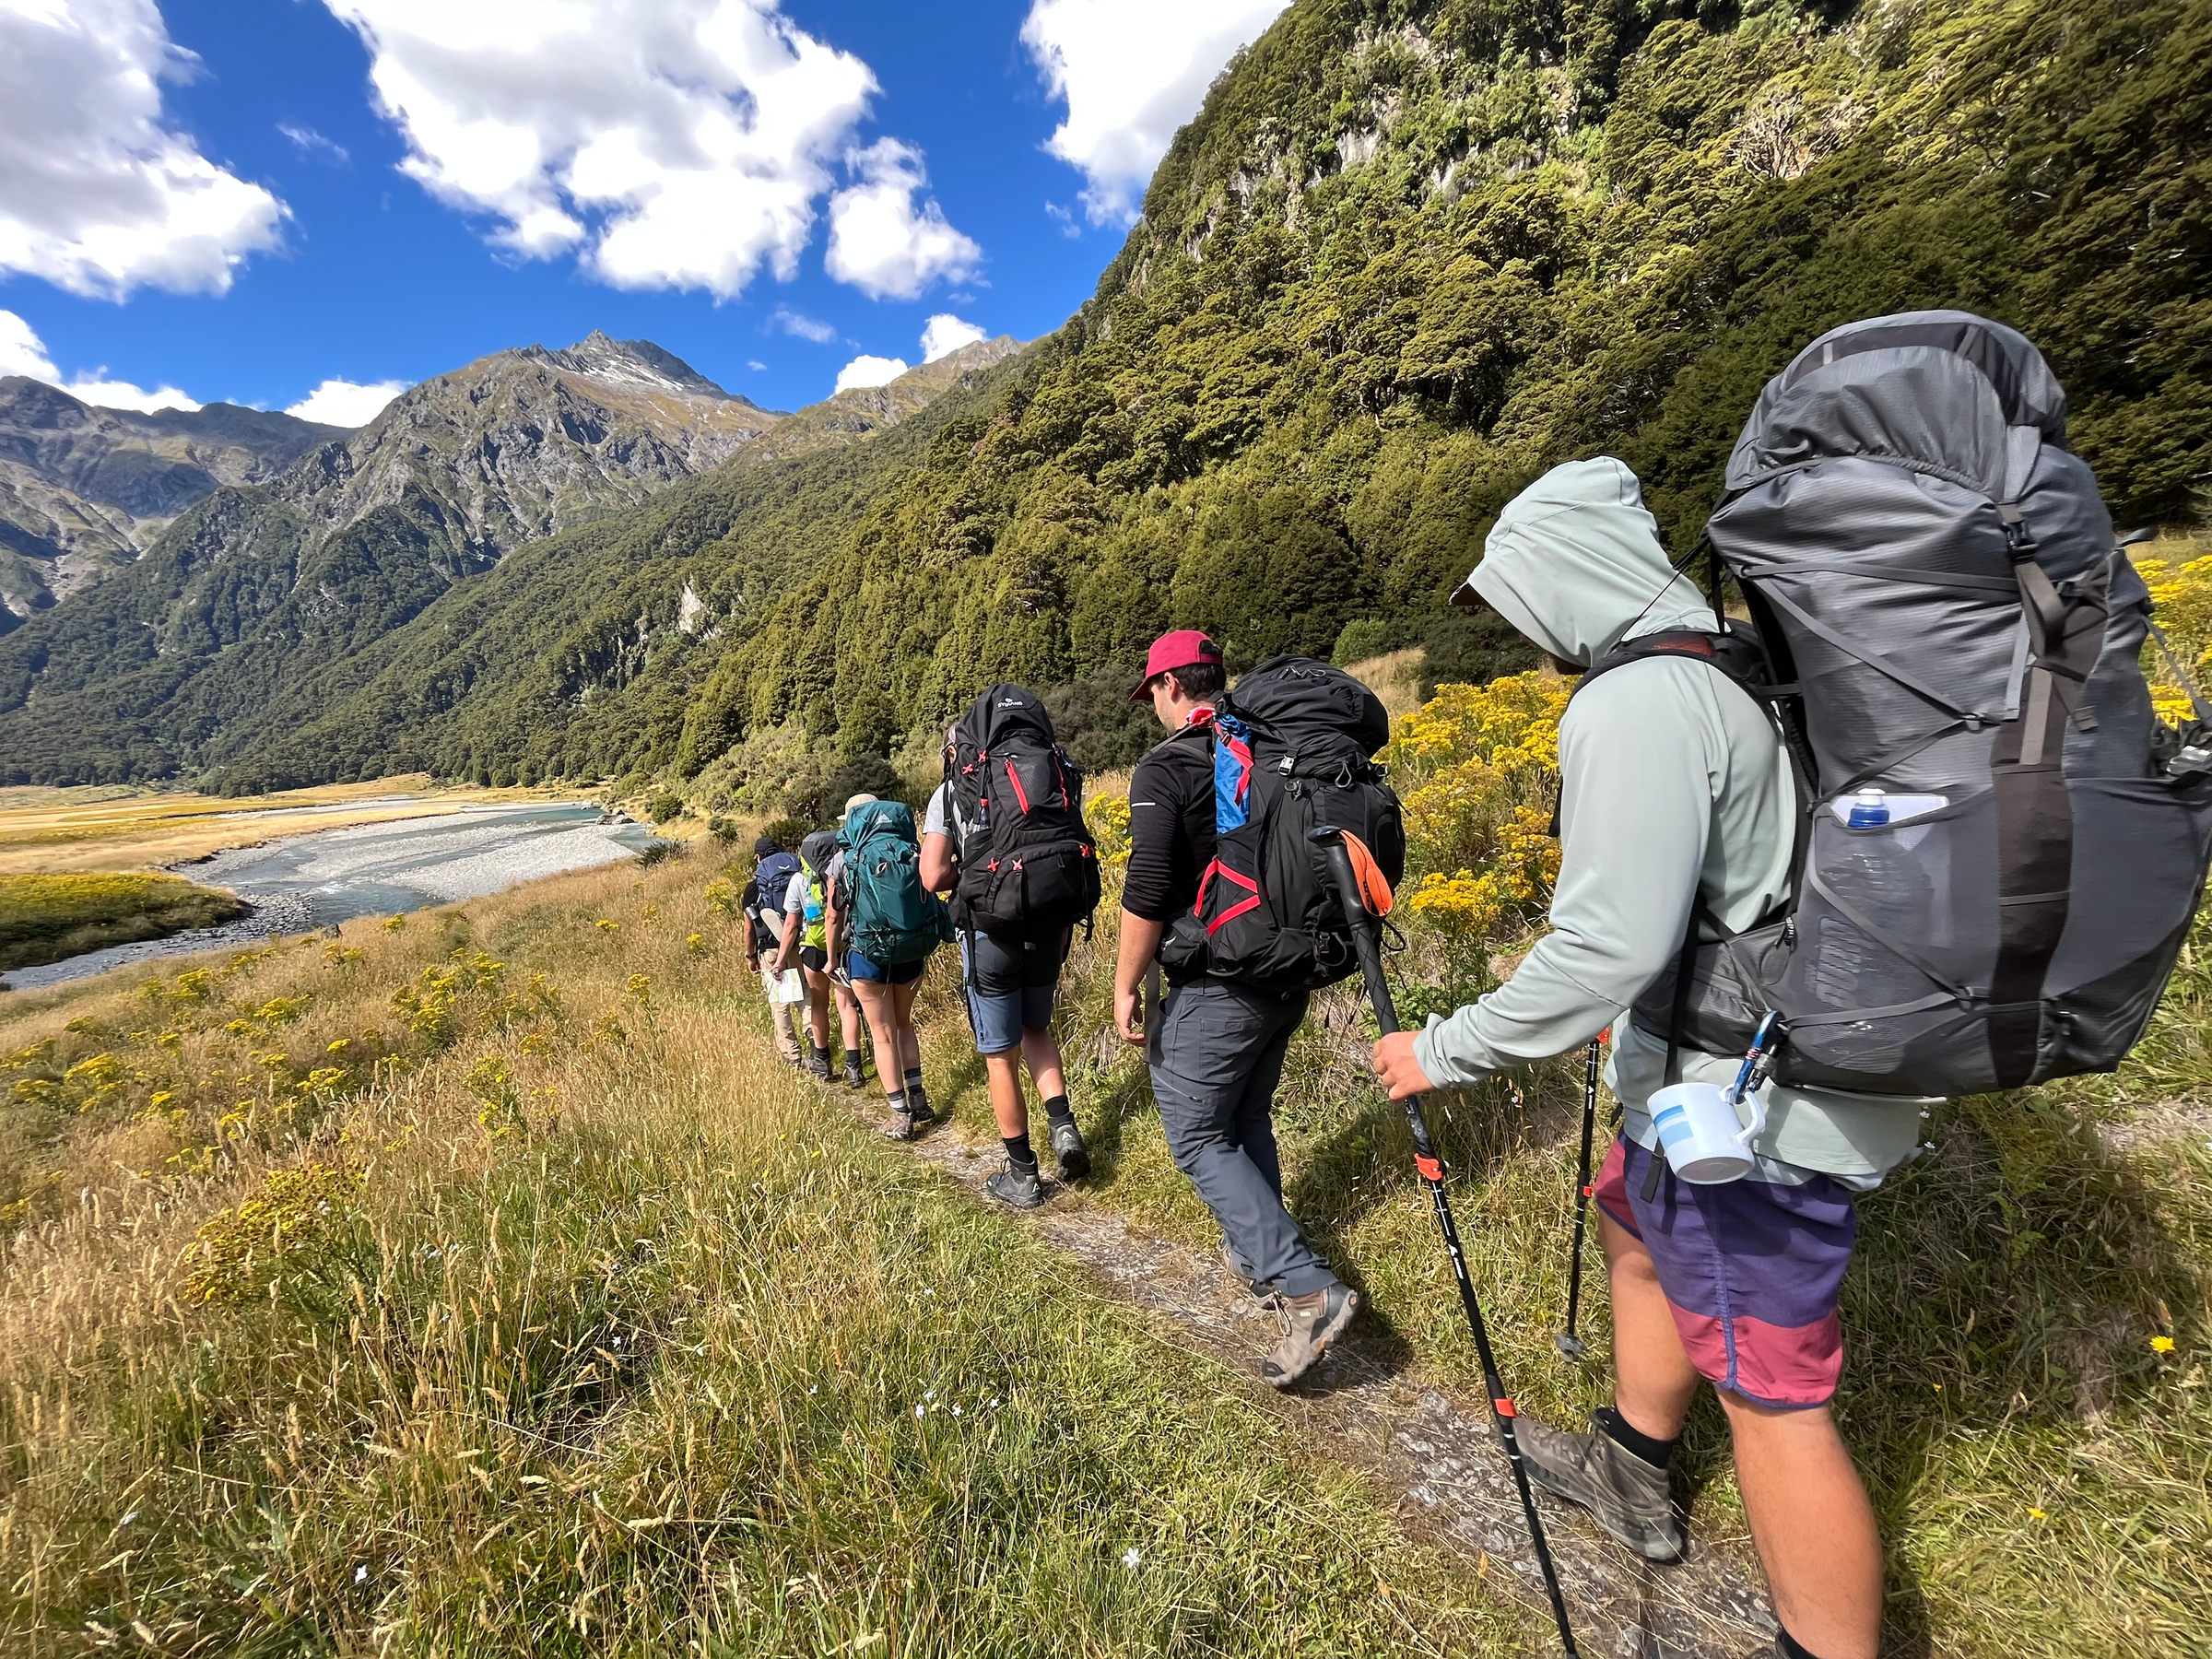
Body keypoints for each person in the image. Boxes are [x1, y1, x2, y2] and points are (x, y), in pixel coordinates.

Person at [1371, 457, 1922, 1659]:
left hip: (1750, 1115)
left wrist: (1443, 1052)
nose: (1519, 629)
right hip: (1726, 1080)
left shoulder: (1633, 704)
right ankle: (1633, 1460)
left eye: (1520, 597)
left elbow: (1605, 949)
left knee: (1777, 1404)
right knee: (1632, 1225)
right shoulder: (1728, 662)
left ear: (1570, 578)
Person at [1111, 629, 1359, 1389]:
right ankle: (1263, 1260)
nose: (1151, 705)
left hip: (1220, 977)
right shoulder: (1266, 748)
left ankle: (1306, 1289)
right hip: (1286, 971)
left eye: (1151, 691)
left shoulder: (1168, 766)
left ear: (1171, 687)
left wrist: (1125, 983)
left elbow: (1150, 888)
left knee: (1192, 1132)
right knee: (1244, 1115)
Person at [921, 723, 1088, 1210]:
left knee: (1000, 1054)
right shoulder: (1050, 775)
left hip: (989, 932)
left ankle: (1022, 1174)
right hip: (1048, 921)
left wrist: (970, 871)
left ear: (958, 750)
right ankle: (1064, 1128)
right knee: (1037, 1028)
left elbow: (933, 876)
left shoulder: (952, 791)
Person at [825, 792, 936, 1139]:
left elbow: (833, 915)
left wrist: (831, 958)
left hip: (867, 954)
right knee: (904, 1024)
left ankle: (900, 1115)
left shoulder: (843, 858)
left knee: (882, 1034)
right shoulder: (909, 847)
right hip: (909, 950)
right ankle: (918, 1098)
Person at [773, 824, 869, 1087]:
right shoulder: (844, 872)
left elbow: (792, 925)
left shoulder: (799, 880)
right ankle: (854, 1068)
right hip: (844, 945)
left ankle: (822, 1061)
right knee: (847, 1006)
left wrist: (781, 960)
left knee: (818, 1004)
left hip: (813, 950)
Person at [742, 835, 805, 1065]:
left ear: (758, 858)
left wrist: (751, 957)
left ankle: (792, 1055)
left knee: (781, 1005)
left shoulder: (753, 887)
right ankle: (818, 1045)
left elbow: (749, 929)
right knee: (804, 997)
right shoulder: (797, 877)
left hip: (771, 950)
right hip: (798, 944)